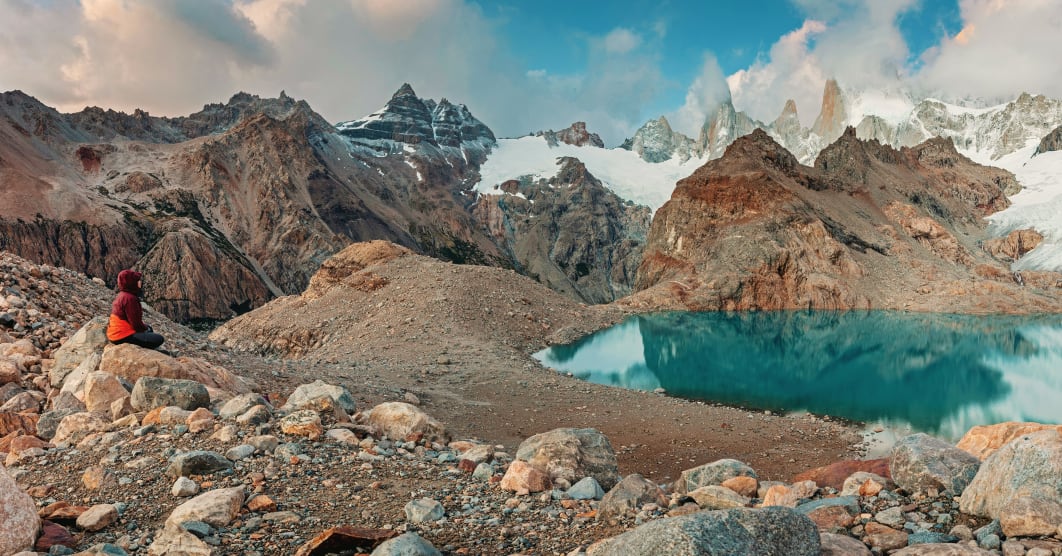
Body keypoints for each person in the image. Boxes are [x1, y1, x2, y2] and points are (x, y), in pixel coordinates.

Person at [106, 269, 165, 350]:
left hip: (115, 333)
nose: (140, 282)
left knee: (149, 328)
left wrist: (145, 329)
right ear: (131, 283)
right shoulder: (130, 299)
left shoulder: (122, 295)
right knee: (159, 339)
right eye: (137, 280)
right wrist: (144, 329)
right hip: (122, 337)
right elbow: (135, 323)